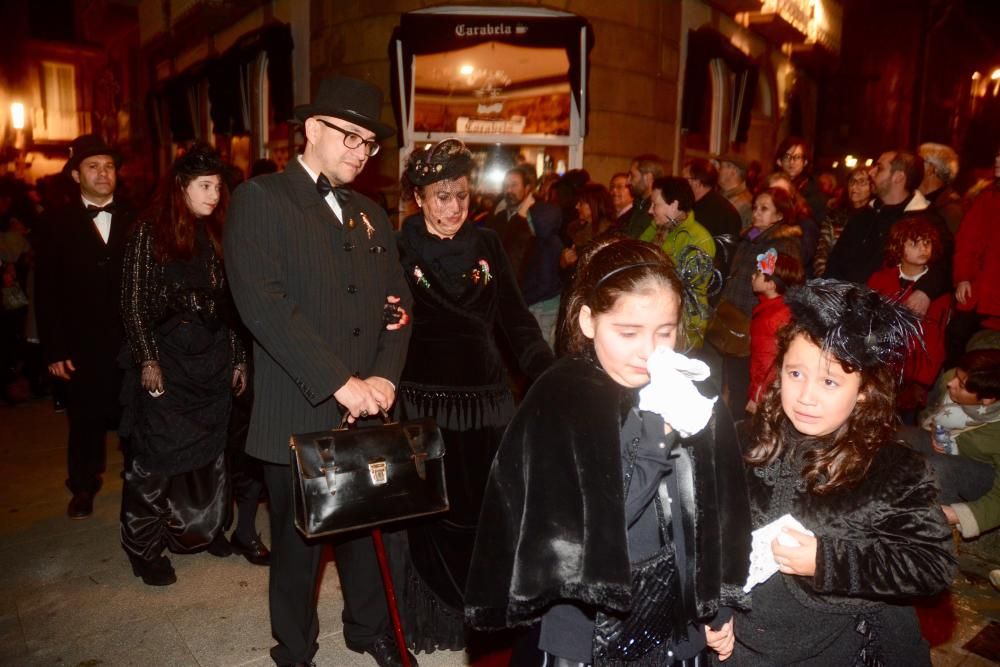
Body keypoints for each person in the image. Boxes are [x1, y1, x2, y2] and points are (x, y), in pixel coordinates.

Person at [466, 238, 752, 666]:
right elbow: (593, 525)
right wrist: (658, 432)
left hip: (677, 616)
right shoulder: (564, 398)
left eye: (665, 332)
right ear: (588, 321)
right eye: (628, 332)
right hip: (585, 627)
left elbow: (721, 506)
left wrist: (720, 603)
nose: (649, 351)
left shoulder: (689, 389)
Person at [224, 76, 416, 667]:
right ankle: (295, 648)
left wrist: (383, 378)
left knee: (366, 530)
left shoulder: (371, 214)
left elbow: (398, 305)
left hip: (369, 408)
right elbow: (265, 306)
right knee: (298, 543)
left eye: (370, 143)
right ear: (312, 130)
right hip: (298, 408)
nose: (361, 151)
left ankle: (369, 630)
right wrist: (341, 382)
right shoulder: (263, 199)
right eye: (351, 136)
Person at [731, 279, 956, 665]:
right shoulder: (744, 439)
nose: (806, 396)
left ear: (864, 390)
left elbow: (932, 566)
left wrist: (826, 562)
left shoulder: (891, 469)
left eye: (830, 381)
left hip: (831, 644)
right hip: (738, 642)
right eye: (795, 374)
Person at [392, 139, 554, 653]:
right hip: (423, 405)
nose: (453, 207)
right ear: (419, 197)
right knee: (430, 518)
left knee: (486, 513)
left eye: (460, 195)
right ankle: (434, 621)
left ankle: (480, 616)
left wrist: (549, 374)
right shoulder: (399, 247)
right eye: (441, 196)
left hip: (486, 403)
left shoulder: (487, 244)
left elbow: (515, 320)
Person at [118, 144, 247, 585]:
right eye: (206, 186)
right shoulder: (146, 234)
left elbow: (229, 304)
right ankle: (144, 547)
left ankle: (203, 530)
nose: (215, 194)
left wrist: (239, 357)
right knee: (156, 459)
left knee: (210, 454)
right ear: (181, 187)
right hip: (168, 362)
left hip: (211, 361)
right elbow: (132, 303)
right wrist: (146, 358)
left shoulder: (214, 234)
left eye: (218, 186)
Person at [34, 134, 137, 519]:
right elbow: (45, 292)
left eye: (109, 166)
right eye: (93, 166)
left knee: (135, 414)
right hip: (81, 344)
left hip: (130, 341)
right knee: (84, 420)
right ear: (76, 175)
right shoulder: (55, 224)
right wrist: (54, 350)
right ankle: (83, 485)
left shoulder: (136, 215)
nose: (103, 173)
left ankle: (138, 478)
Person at [899, 349, 1000, 542]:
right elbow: (930, 414)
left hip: (984, 476)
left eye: (961, 385)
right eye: (956, 376)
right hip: (950, 446)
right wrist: (935, 431)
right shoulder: (954, 379)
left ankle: (932, 539)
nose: (950, 383)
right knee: (902, 436)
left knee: (937, 468)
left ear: (987, 400)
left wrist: (956, 514)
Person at [868, 215, 951, 410]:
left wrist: (922, 382)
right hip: (881, 369)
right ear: (898, 247)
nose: (923, 249)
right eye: (915, 243)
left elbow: (934, 339)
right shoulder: (879, 280)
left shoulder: (937, 293)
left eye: (927, 243)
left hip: (915, 375)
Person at [487, 166, 563, 345]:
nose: (509, 190)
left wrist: (525, 212)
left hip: (542, 300)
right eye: (506, 185)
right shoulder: (502, 215)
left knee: (542, 352)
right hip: (519, 299)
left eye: (514, 185)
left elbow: (542, 229)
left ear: (528, 188)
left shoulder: (540, 213)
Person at [640, 176, 716, 350]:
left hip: (682, 327)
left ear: (673, 205)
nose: (651, 210)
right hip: (652, 319)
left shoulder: (698, 238)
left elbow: (690, 287)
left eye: (655, 204)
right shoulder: (654, 230)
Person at [746, 249, 803, 414]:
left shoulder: (770, 318)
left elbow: (766, 363)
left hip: (767, 393)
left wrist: (756, 396)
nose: (752, 276)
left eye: (758, 274)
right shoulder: (782, 306)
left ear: (770, 284)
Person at [813, 167, 872, 277]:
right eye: (852, 181)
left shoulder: (875, 218)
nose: (854, 187)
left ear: (872, 187)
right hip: (831, 280)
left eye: (862, 182)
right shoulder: (835, 216)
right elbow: (822, 252)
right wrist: (824, 281)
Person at [560, 182, 616, 271]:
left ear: (594, 205)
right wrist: (564, 263)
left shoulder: (606, 235)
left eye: (581, 203)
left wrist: (573, 263)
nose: (577, 206)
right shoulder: (578, 229)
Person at [774, 136, 827, 224]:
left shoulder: (814, 192)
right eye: (787, 157)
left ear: (805, 162)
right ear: (779, 161)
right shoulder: (771, 185)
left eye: (797, 157)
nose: (791, 162)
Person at [622, 154, 665, 239]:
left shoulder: (659, 211)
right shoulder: (637, 206)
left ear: (648, 178)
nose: (627, 182)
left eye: (632, 176)